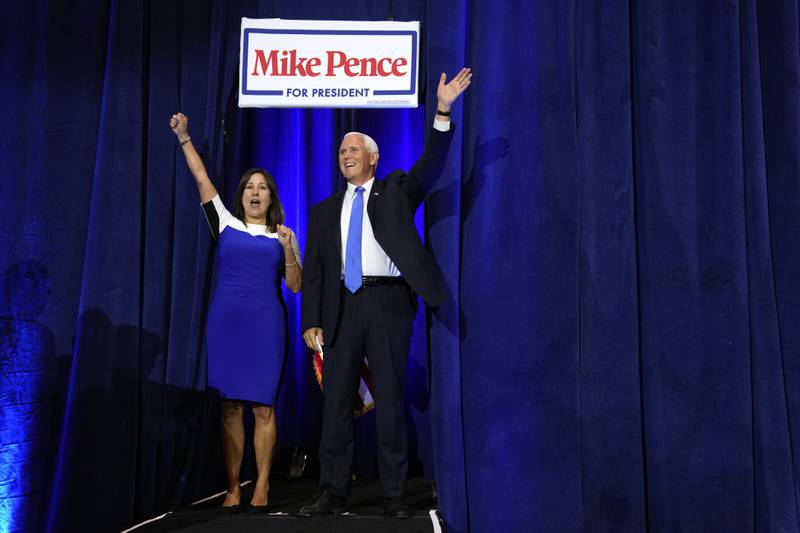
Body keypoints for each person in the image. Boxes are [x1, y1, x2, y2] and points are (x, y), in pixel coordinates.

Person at [299, 67, 472, 519]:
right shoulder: (322, 212)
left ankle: (395, 494)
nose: (345, 155)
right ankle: (332, 492)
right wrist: (311, 320)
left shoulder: (396, 189)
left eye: (353, 149)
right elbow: (315, 274)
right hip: (339, 306)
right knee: (336, 401)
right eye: (341, 151)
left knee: (391, 400)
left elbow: (432, 164)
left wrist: (442, 110)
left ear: (373, 158)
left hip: (388, 302)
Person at [169, 113, 302, 513]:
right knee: (230, 408)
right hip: (227, 326)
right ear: (241, 194)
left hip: (266, 326)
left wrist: (290, 250)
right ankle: (233, 486)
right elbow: (201, 179)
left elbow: (295, 286)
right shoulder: (224, 222)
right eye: (249, 187)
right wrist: (185, 138)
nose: (255, 193)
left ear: (270, 197)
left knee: (263, 407)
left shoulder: (282, 236)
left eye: (263, 188)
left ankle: (261, 485)